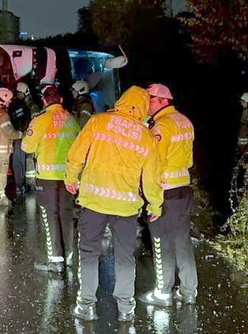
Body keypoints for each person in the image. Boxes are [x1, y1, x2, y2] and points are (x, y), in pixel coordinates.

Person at [65, 86, 162, 323]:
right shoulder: (147, 136)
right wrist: (155, 205)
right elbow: (151, 177)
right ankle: (126, 308)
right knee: (125, 256)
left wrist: (71, 178)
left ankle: (86, 304)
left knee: (88, 252)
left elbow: (77, 153)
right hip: (126, 207)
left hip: (94, 201)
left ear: (121, 100)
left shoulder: (98, 121)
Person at [140, 84, 198, 306]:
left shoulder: (161, 127)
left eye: (151, 99)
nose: (148, 104)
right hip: (184, 187)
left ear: (163, 101)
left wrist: (151, 196)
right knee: (182, 240)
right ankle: (188, 290)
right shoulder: (184, 121)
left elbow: (153, 164)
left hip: (165, 191)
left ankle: (163, 293)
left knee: (161, 241)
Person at [21, 86, 80, 272]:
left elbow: (27, 148)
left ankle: (56, 260)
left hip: (47, 177)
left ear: (44, 101)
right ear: (61, 100)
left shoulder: (41, 119)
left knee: (50, 217)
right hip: (68, 177)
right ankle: (69, 255)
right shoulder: (72, 119)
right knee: (67, 216)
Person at [8, 82, 33, 197]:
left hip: (16, 137)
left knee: (17, 162)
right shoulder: (24, 105)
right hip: (23, 137)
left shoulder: (12, 105)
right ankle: (22, 185)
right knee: (21, 162)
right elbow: (27, 121)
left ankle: (20, 185)